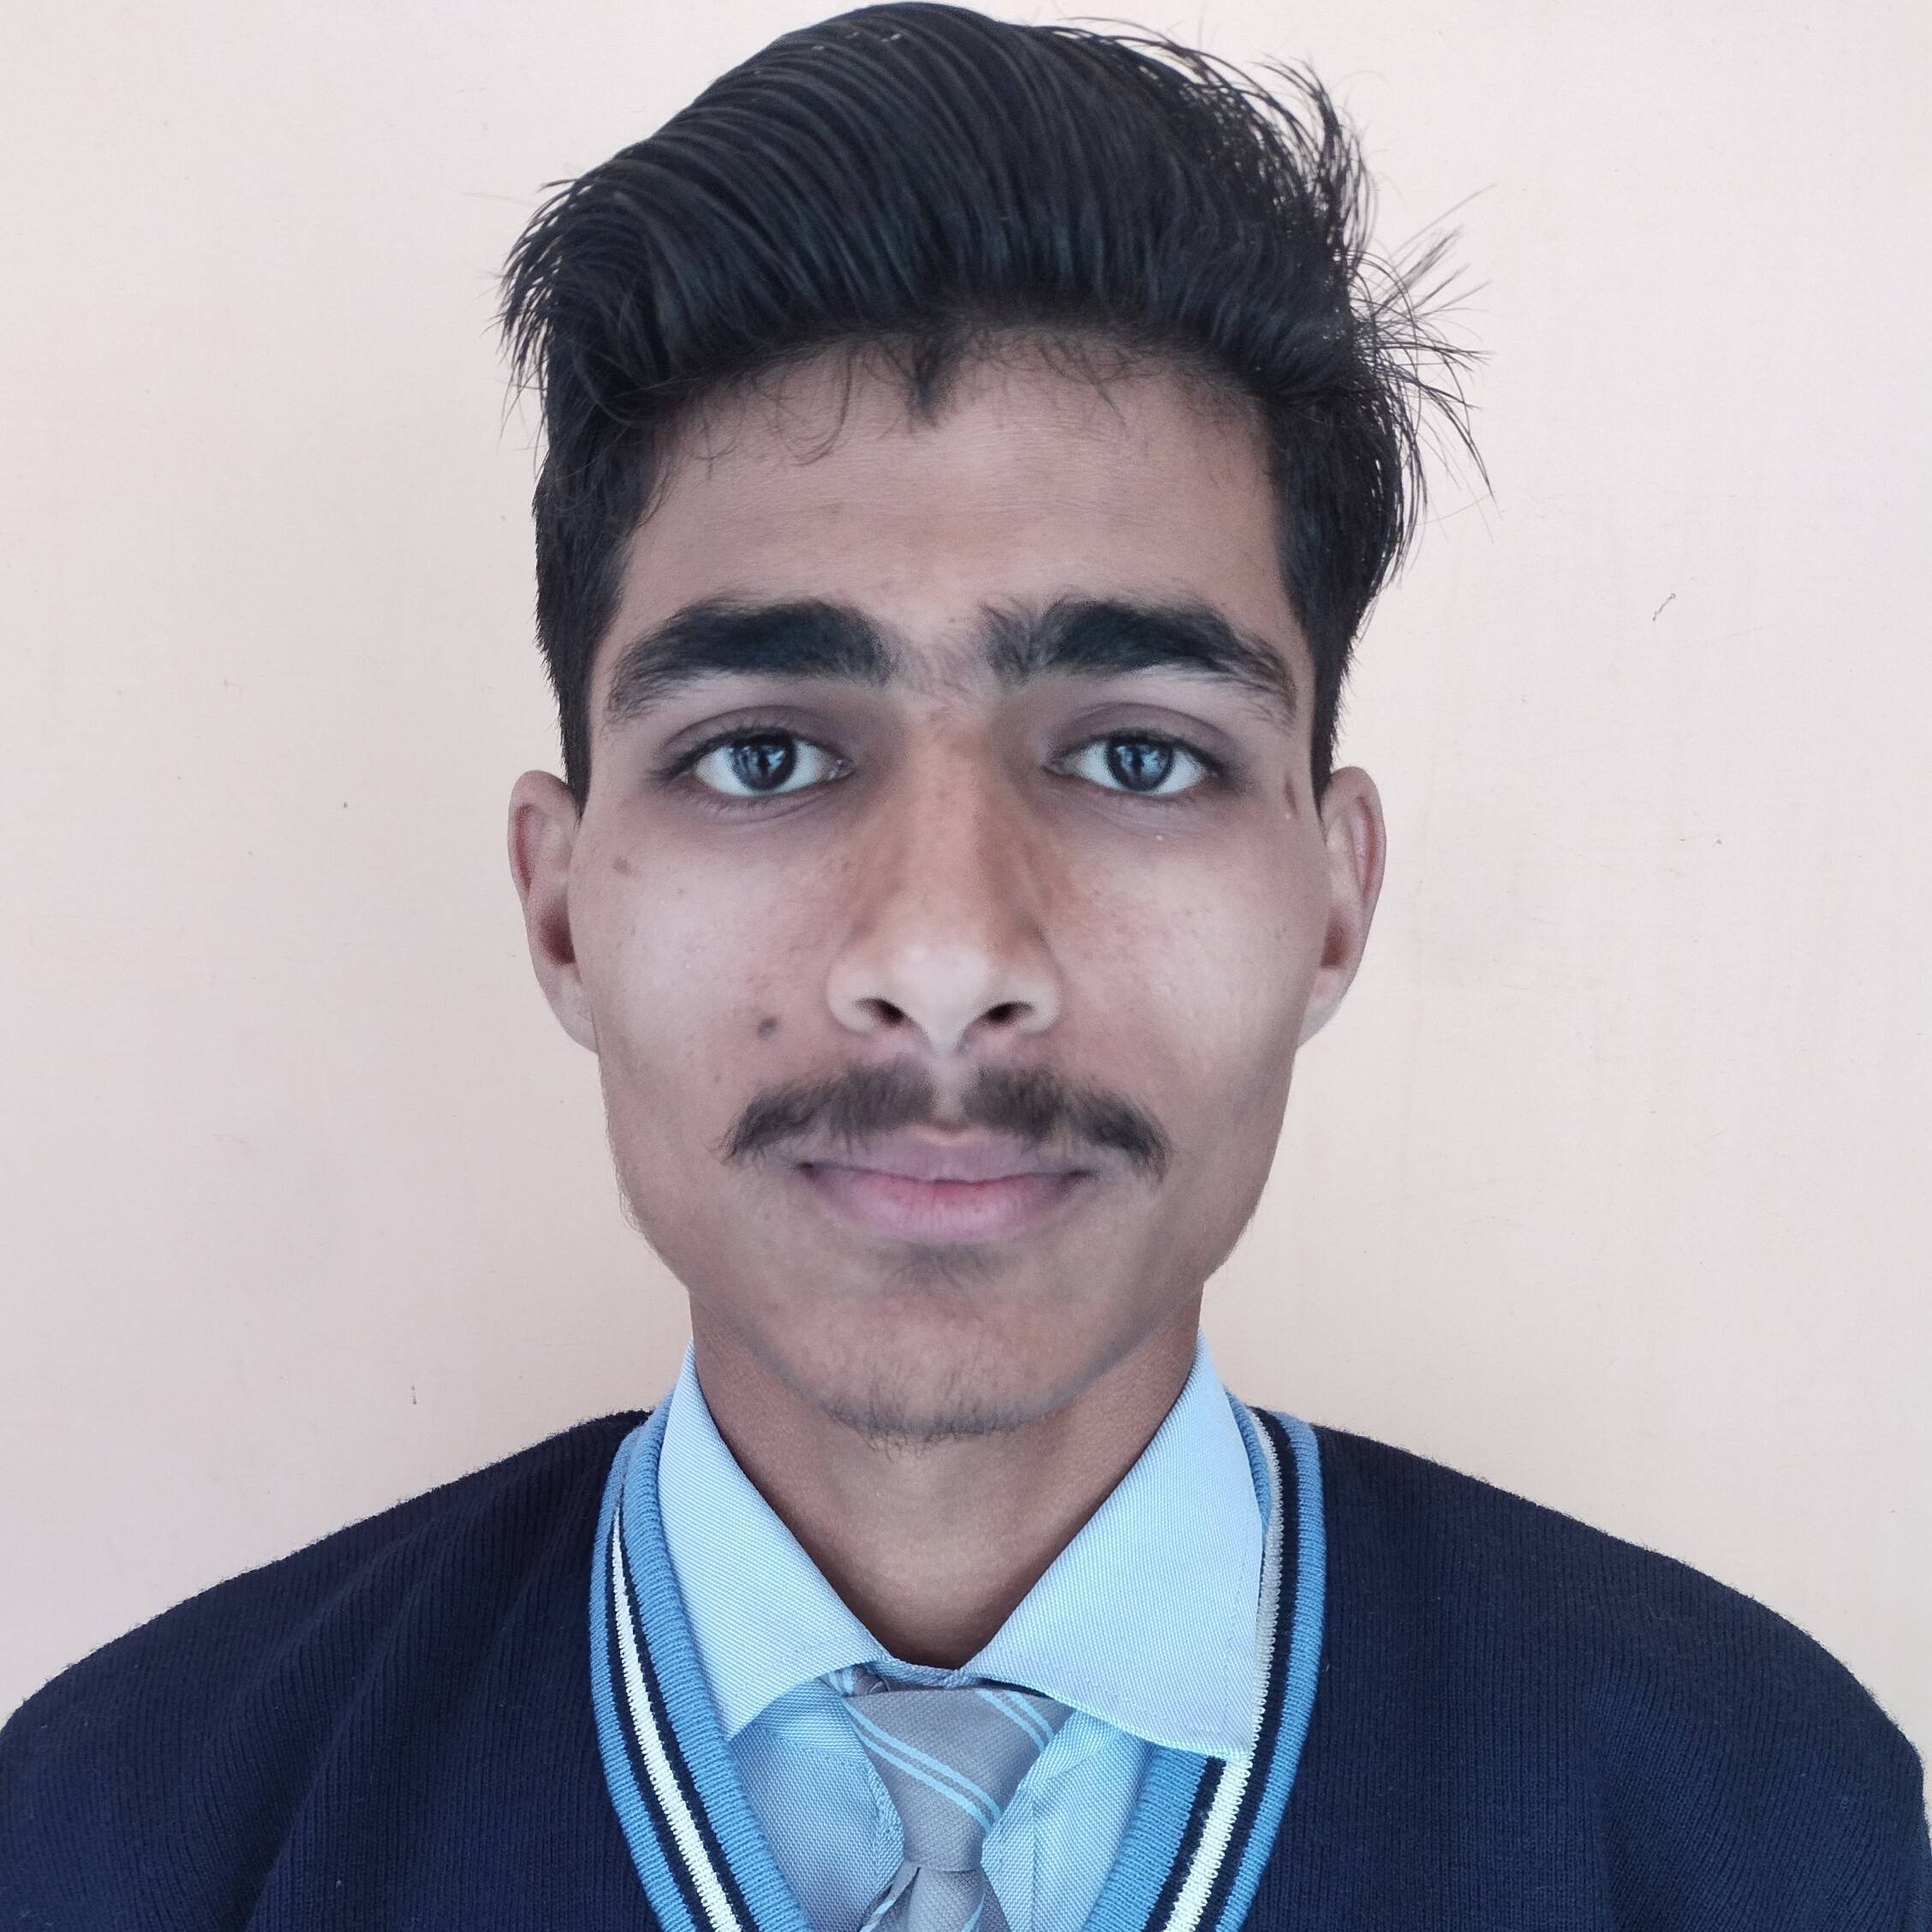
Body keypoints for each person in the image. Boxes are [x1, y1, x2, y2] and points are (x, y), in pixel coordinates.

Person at [3, 3, 1927, 1925]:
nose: (943, 960)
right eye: (763, 755)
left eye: (1139, 756)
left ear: (1334, 901)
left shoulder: (1760, 1824)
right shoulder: (113, 1836)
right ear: (563, 908)